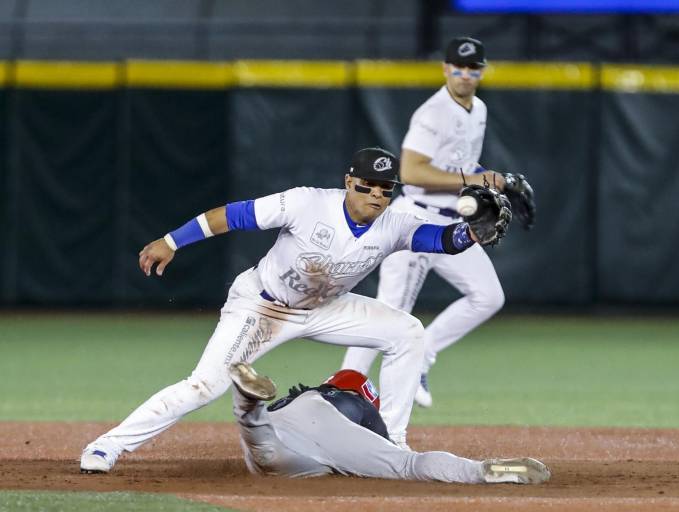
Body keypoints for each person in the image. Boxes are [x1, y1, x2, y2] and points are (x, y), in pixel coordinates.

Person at [80, 147, 509, 474]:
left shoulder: (394, 222)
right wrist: (172, 242)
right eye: (367, 186)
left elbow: (440, 240)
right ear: (348, 182)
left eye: (384, 189)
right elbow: (234, 215)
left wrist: (472, 232)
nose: (376, 195)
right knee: (203, 387)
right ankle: (109, 445)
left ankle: (393, 444)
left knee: (408, 332)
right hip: (263, 306)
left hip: (325, 307)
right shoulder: (307, 203)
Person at [342, 37, 534, 408]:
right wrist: (476, 180)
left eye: (472, 67)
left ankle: (423, 356)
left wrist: (500, 180)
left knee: (488, 296)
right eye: (457, 67)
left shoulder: (477, 109)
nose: (464, 74)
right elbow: (412, 172)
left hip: (451, 226)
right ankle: (340, 387)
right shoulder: (432, 113)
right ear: (445, 68)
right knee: (387, 317)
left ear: (482, 70)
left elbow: (461, 164)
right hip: (414, 222)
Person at [228, 362, 551, 484]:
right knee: (408, 464)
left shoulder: (303, 395)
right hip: (327, 425)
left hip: (281, 429)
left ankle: (248, 400)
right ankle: (480, 471)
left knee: (262, 442)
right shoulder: (350, 398)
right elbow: (383, 442)